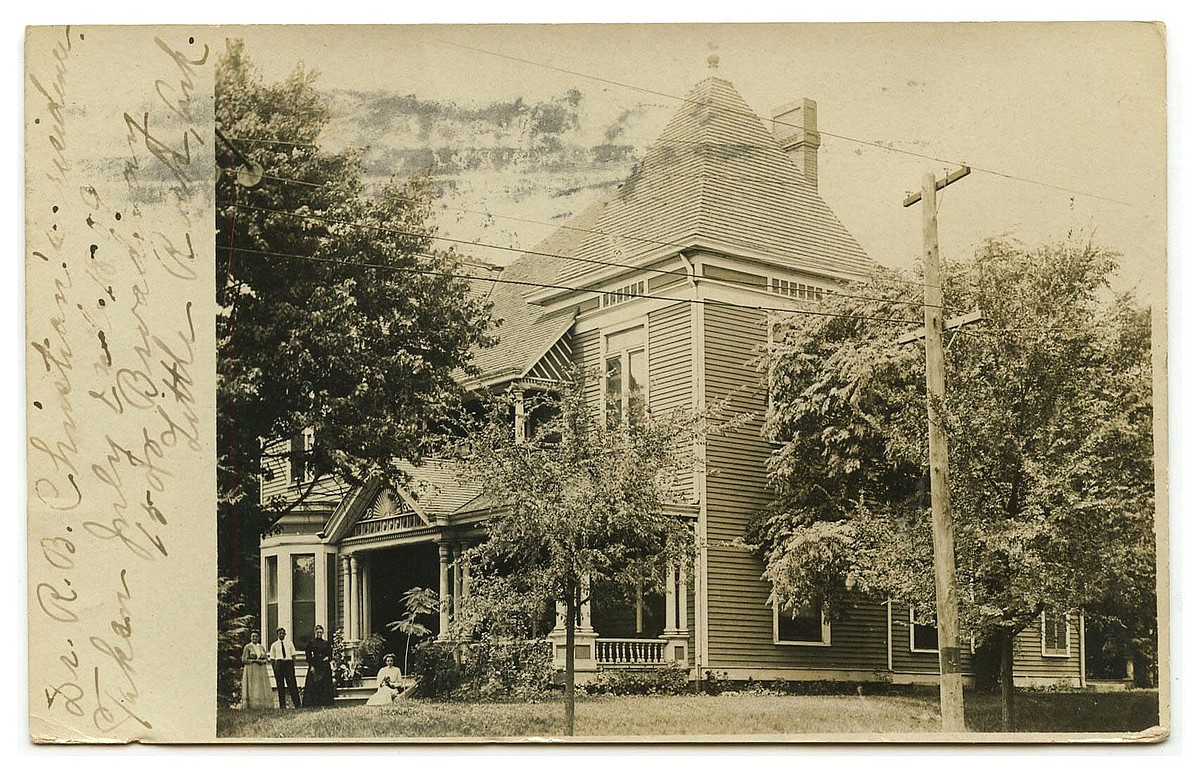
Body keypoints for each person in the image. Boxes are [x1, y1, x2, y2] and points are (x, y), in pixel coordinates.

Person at [268, 627, 302, 708]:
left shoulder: (289, 643)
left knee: (292, 684)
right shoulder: (274, 645)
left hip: (288, 664)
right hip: (279, 664)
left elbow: (293, 655)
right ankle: (282, 705)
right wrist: (275, 668)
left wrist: (291, 665)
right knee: (280, 685)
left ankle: (297, 704)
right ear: (277, 634)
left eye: (283, 633)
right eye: (280, 633)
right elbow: (272, 658)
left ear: (285, 634)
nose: (281, 635)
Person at [302, 625, 336, 707]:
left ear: (323, 633)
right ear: (315, 633)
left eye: (321, 632)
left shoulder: (326, 643)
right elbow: (308, 656)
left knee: (325, 684)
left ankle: (326, 703)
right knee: (313, 684)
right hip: (315, 665)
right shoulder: (311, 643)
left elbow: (330, 654)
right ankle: (314, 703)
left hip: (324, 666)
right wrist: (312, 666)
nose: (319, 634)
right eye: (318, 632)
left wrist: (328, 658)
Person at [240, 629, 273, 710]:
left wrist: (263, 661)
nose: (255, 638)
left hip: (261, 670)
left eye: (256, 636)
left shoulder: (261, 647)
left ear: (259, 638)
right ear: (250, 638)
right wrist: (255, 661)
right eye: (253, 636)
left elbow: (266, 658)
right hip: (251, 669)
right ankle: (252, 705)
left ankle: (262, 705)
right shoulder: (247, 647)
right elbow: (244, 660)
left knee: (261, 686)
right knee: (253, 686)